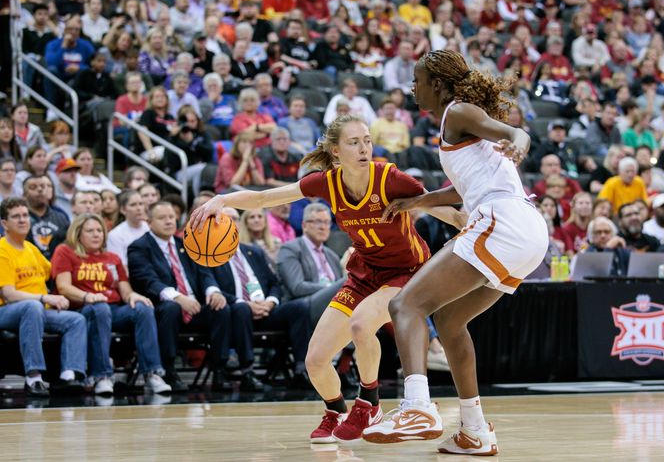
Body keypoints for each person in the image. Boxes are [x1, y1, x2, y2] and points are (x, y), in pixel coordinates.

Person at [189, 114, 463, 444]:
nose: (364, 148)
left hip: (405, 272)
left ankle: (369, 403)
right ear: (335, 151)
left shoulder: (390, 178)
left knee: (363, 325)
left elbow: (440, 207)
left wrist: (479, 224)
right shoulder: (326, 182)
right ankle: (336, 409)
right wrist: (221, 199)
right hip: (365, 273)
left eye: (367, 140)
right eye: (354, 142)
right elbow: (265, 198)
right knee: (316, 360)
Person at [360, 50, 548, 455]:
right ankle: (475, 430)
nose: (413, 88)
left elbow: (513, 133)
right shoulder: (456, 126)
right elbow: (466, 187)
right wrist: (418, 202)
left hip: (503, 221)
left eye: (418, 81)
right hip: (527, 232)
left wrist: (517, 141)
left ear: (439, 86)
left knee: (406, 305)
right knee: (448, 321)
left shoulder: (458, 111)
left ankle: (417, 407)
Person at [51, 214, 171, 395]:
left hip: (113, 309)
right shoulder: (66, 252)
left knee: (143, 308)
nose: (96, 234)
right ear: (78, 234)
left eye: (99, 230)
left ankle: (151, 373)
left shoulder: (112, 258)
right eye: (90, 231)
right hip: (83, 309)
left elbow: (124, 289)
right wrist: (87, 296)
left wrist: (133, 296)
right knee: (100, 308)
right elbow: (63, 287)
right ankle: (102, 376)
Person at [128, 201, 233, 392]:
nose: (169, 221)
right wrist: (177, 297)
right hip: (163, 306)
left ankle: (219, 369)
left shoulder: (186, 242)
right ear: (149, 222)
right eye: (162, 218)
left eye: (171, 217)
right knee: (171, 308)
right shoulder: (139, 247)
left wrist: (213, 291)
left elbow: (204, 272)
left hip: (195, 306)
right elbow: (148, 281)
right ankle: (169, 370)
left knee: (221, 309)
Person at [211, 207, 312, 388]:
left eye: (235, 219)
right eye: (227, 219)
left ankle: (301, 369)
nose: (232, 223)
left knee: (300, 307)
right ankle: (247, 371)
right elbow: (212, 290)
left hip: (264, 309)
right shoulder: (210, 255)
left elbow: (274, 284)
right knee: (240, 309)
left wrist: (270, 302)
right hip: (237, 313)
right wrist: (246, 304)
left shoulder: (253, 252)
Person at [0, 197, 87, 397]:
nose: (22, 220)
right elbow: (9, 294)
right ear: (5, 223)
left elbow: (54, 273)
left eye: (24, 215)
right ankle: (34, 376)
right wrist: (44, 298)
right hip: (7, 310)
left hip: (37, 311)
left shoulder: (31, 248)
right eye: (16, 217)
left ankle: (67, 375)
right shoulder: (2, 250)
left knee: (76, 320)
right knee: (32, 307)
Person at [106, 190, 149, 267]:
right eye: (133, 205)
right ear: (123, 210)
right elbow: (120, 266)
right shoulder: (115, 235)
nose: (138, 208)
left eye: (141, 204)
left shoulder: (150, 228)